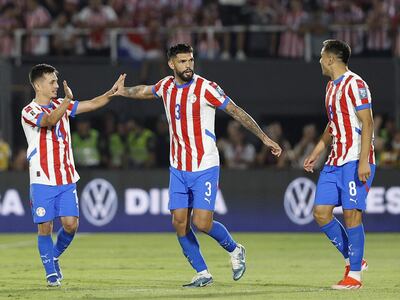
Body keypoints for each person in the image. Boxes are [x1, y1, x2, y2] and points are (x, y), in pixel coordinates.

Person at [113, 43, 282, 287]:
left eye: (190, 60)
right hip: (178, 167)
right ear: (171, 64)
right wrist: (123, 91)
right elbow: (145, 91)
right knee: (179, 222)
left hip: (204, 165)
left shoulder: (206, 88)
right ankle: (202, 272)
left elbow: (236, 111)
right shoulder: (166, 86)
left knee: (202, 223)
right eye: (182, 61)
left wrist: (264, 138)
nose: (188, 65)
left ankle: (236, 250)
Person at [21, 63, 124, 287]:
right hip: (42, 178)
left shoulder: (62, 104)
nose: (56, 86)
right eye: (52, 82)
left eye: (57, 81)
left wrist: (111, 93)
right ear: (38, 85)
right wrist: (67, 101)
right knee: (45, 227)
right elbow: (49, 121)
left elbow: (93, 104)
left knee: (71, 225)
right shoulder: (29, 111)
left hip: (66, 177)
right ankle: (50, 274)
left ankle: (55, 256)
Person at [304, 40, 375, 290]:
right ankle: (354, 259)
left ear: (331, 59)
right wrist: (317, 151)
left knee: (351, 215)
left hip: (355, 159)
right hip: (335, 161)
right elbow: (332, 124)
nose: (320, 61)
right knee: (320, 213)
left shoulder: (355, 84)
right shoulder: (330, 87)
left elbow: (367, 123)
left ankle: (354, 276)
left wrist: (364, 161)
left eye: (322, 56)